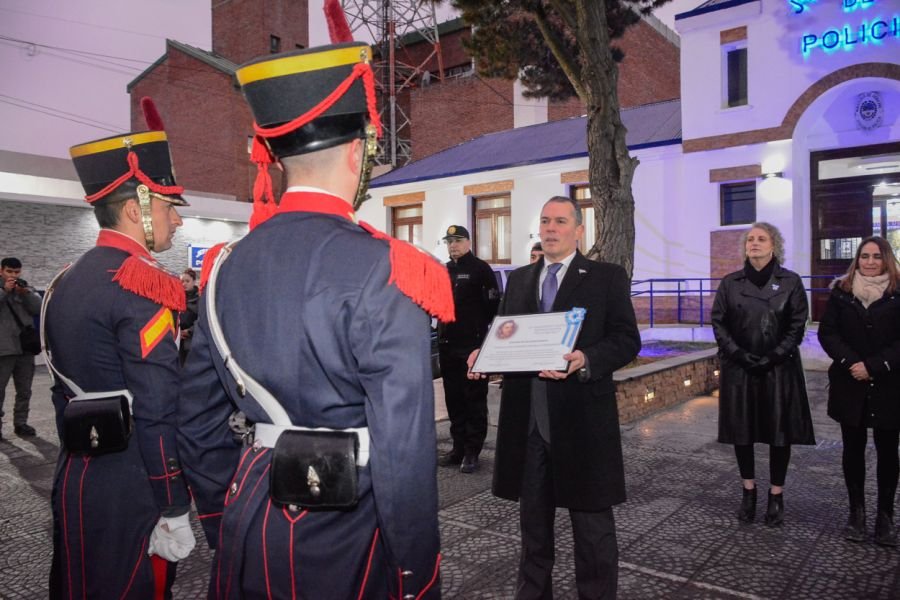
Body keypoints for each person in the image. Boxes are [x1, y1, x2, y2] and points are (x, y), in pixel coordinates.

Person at [177, 20, 452, 599]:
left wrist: (222, 509)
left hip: (249, 511)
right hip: (351, 530)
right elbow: (402, 449)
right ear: (357, 152)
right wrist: (417, 570)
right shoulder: (385, 266)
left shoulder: (224, 266)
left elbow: (196, 422)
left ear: (275, 158)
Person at [44, 125, 196, 598]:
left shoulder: (63, 280)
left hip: (77, 473)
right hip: (133, 482)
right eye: (170, 208)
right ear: (136, 210)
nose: (178, 221)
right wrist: (172, 505)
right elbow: (157, 408)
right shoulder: (139, 284)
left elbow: (60, 395)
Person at [469, 195, 640, 599]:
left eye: (560, 221)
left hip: (583, 423)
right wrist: (487, 354)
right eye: (545, 220)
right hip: (528, 423)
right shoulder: (521, 279)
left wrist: (586, 358)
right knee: (533, 528)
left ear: (579, 230)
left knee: (592, 531)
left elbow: (626, 339)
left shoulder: (606, 277)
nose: (550, 228)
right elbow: (508, 335)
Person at [711, 222, 815, 528]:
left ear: (774, 245)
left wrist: (773, 356)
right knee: (742, 433)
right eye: (750, 239)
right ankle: (749, 491)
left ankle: (776, 494)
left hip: (779, 369)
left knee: (778, 434)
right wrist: (740, 355)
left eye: (762, 238)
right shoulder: (730, 283)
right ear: (745, 246)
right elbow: (719, 323)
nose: (754, 243)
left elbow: (798, 324)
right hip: (740, 368)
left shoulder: (791, 282)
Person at [818, 236, 900, 547]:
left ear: (886, 259)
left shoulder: (898, 292)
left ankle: (885, 517)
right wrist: (852, 362)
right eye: (864, 256)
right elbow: (828, 332)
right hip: (849, 382)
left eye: (876, 256)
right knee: (852, 450)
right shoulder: (842, 292)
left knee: (888, 451)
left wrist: (875, 365)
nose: (869, 261)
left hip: (889, 385)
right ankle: (857, 513)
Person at [438, 224, 500, 473]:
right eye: (449, 241)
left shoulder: (480, 269)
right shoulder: (444, 270)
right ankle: (458, 448)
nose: (453, 245)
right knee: (453, 399)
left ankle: (473, 451)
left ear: (469, 242)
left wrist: (484, 341)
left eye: (458, 240)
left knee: (474, 399)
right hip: (447, 345)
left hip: (472, 347)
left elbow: (493, 308)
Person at [0, 257, 42, 438]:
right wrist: (4, 291)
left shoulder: (25, 288)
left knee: (24, 390)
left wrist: (24, 293)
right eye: (9, 271)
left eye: (16, 272)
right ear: (1, 270)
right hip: (3, 349)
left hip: (25, 349)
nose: (13, 275)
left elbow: (38, 307)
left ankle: (21, 423)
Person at [178, 268, 199, 366]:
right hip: (177, 337)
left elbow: (202, 320)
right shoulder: (175, 297)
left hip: (192, 339)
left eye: (187, 281)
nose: (184, 284)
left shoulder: (200, 300)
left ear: (194, 281)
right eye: (182, 281)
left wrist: (189, 331)